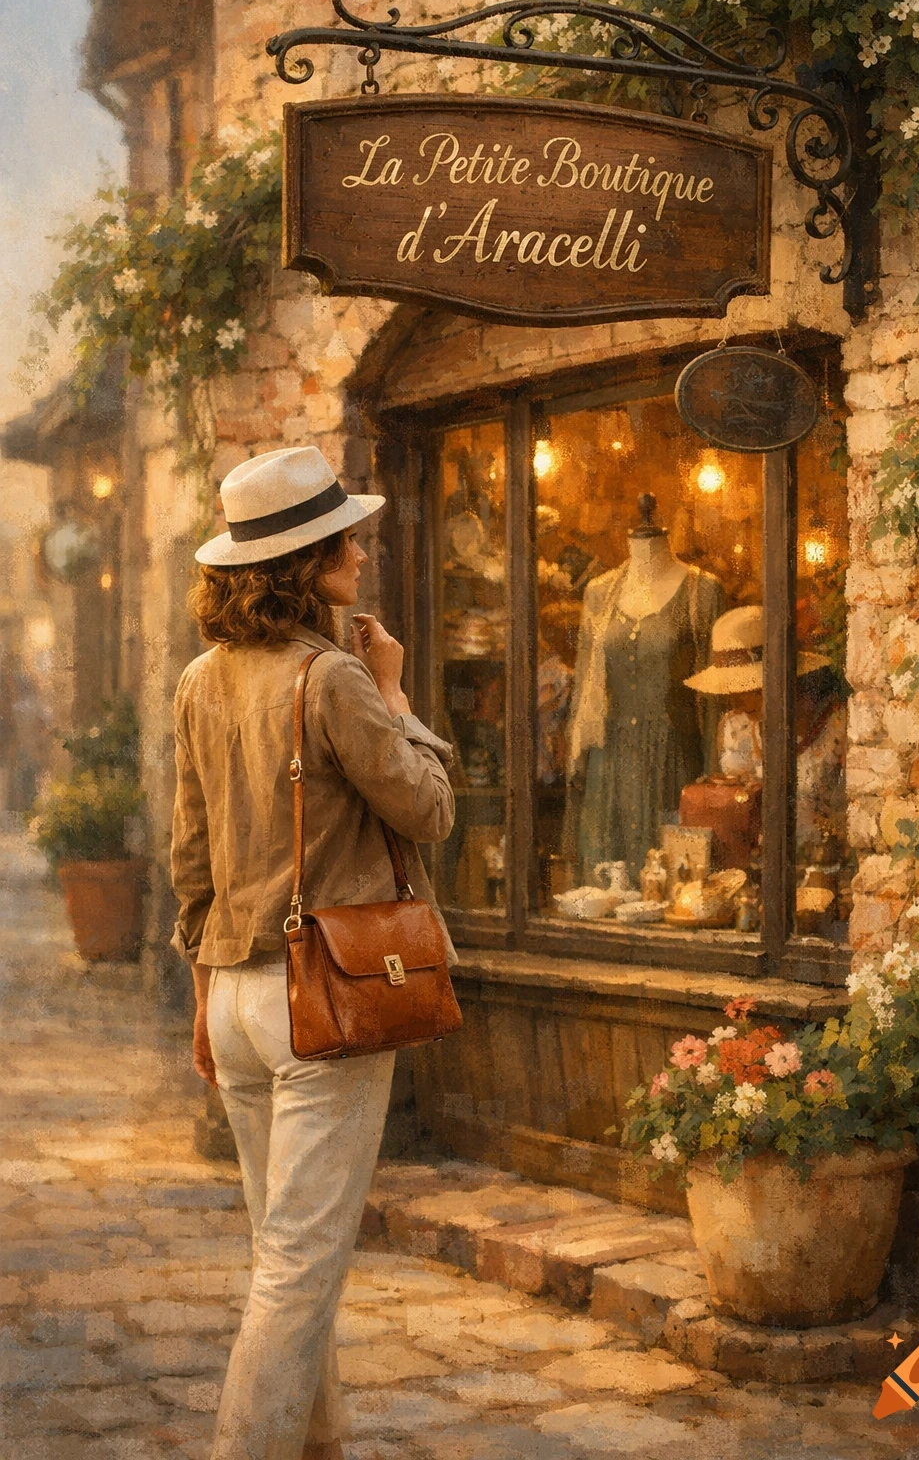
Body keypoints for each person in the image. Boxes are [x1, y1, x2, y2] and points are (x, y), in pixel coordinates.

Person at [170, 446, 456, 1460]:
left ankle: (317, 1441)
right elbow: (427, 808)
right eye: (350, 540)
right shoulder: (333, 679)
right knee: (297, 1266)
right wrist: (395, 693)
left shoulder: (202, 682)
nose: (365, 553)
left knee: (285, 1253)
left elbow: (191, 864)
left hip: (236, 997)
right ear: (306, 561)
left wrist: (203, 1005)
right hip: (323, 1002)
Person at [683, 605, 847, 864]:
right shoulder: (733, 728)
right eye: (731, 687)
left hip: (818, 867)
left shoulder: (835, 726)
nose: (734, 697)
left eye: (745, 687)